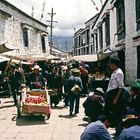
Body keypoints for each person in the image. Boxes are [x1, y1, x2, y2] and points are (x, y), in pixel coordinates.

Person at [104, 56, 126, 136]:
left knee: (117, 115)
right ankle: (118, 130)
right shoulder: (114, 72)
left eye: (110, 64)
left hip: (115, 95)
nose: (109, 65)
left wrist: (116, 99)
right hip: (112, 94)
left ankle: (119, 132)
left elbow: (121, 87)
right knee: (113, 114)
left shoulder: (119, 72)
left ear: (113, 64)